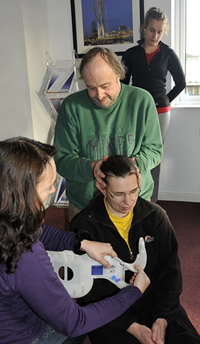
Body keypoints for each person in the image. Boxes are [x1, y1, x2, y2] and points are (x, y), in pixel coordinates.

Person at [0, 137, 150, 344]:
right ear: (25, 193)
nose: (53, 191)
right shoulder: (25, 255)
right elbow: (75, 322)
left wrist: (80, 242)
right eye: (48, 186)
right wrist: (134, 292)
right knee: (79, 328)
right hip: (21, 337)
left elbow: (38, 231)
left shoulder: (8, 221)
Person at [71, 155, 200, 344]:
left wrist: (162, 319)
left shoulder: (156, 216)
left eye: (133, 191)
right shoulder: (84, 226)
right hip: (111, 313)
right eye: (118, 194)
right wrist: (132, 327)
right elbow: (89, 294)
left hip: (156, 302)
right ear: (103, 188)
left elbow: (170, 272)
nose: (128, 201)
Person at [54, 47, 163, 222]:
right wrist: (91, 168)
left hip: (133, 201)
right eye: (91, 88)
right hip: (86, 204)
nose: (99, 95)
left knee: (138, 249)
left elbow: (155, 150)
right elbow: (61, 160)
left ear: (119, 74)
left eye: (105, 86)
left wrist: (133, 167)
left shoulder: (142, 101)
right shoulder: (71, 106)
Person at [121, 7, 186, 202]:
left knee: (153, 156)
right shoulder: (131, 54)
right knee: (134, 152)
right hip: (136, 110)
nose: (155, 35)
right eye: (151, 30)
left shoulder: (168, 54)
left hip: (160, 112)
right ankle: (135, 196)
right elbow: (123, 84)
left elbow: (181, 83)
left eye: (159, 31)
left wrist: (165, 99)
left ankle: (152, 201)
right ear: (144, 28)